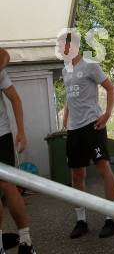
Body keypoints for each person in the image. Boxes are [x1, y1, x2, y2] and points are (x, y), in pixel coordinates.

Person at [60, 32, 114, 239]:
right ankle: (81, 221)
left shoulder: (90, 65)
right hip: (74, 130)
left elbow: (110, 89)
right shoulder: (65, 69)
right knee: (77, 175)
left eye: (63, 46)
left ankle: (111, 219)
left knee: (104, 168)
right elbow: (69, 96)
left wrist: (107, 114)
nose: (61, 50)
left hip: (93, 125)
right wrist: (65, 119)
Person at [0, 49, 37, 253]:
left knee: (7, 185)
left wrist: (21, 131)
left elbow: (4, 54)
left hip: (1, 135)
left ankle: (26, 241)